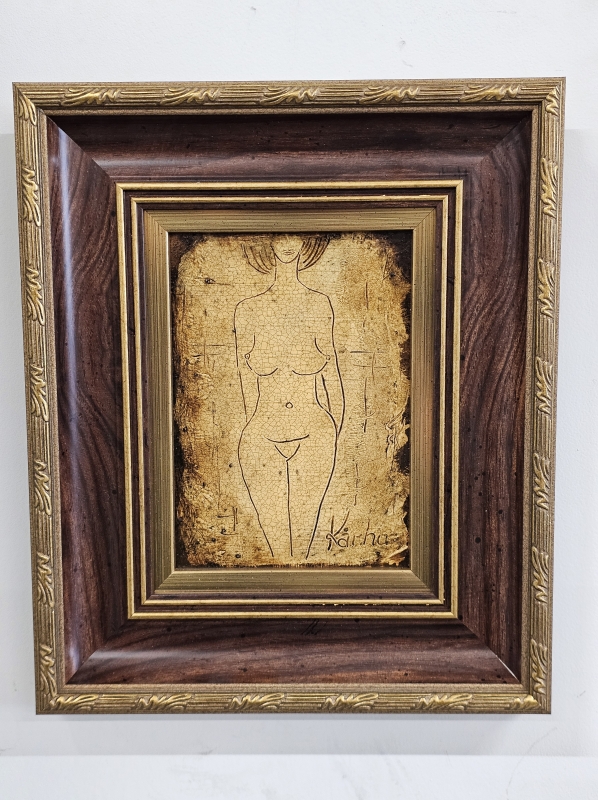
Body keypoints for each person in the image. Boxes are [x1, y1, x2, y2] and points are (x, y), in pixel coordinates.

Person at [235, 234, 344, 562]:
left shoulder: (319, 305)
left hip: (315, 434)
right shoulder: (247, 310)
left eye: (296, 235)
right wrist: (254, 429)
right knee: (277, 549)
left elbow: (333, 378)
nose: (287, 242)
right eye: (279, 234)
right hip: (261, 437)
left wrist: (332, 433)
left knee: (304, 544)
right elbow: (244, 387)